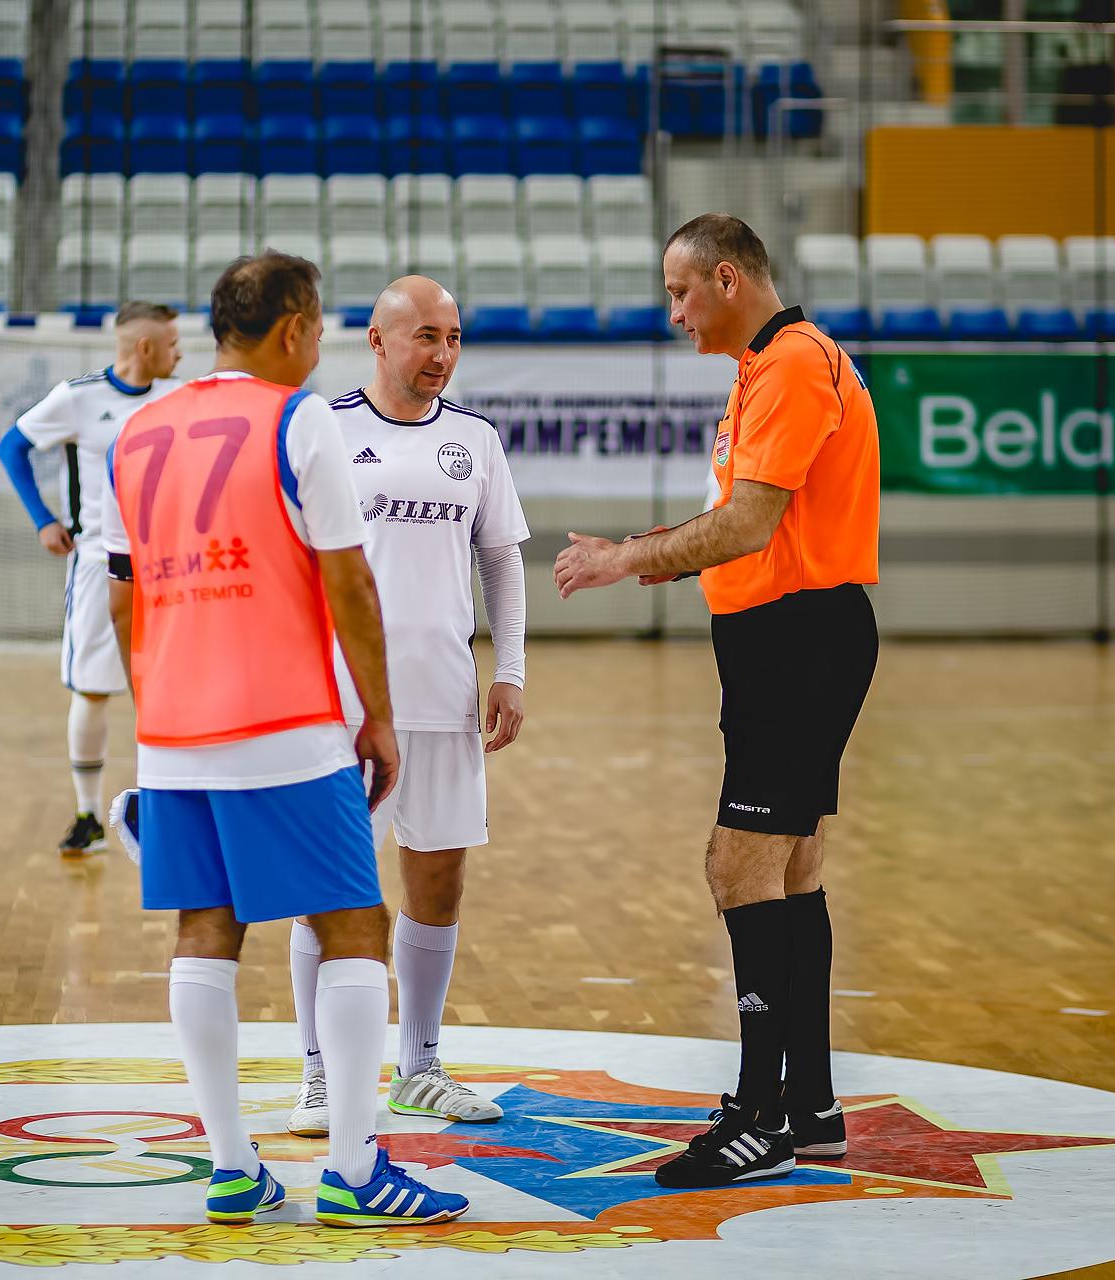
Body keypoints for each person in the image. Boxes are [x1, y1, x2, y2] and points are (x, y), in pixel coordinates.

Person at [103, 252, 469, 1228]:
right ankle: (352, 1170)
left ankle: (232, 1166)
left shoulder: (136, 430)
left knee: (204, 928)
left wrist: (158, 709)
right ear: (295, 328)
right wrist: (378, 716)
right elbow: (349, 580)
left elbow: (119, 596)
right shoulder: (299, 419)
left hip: (171, 726)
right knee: (353, 923)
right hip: (285, 721)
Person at [553, 214, 880, 1188]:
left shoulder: (791, 365)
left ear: (727, 278)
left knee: (737, 865)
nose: (674, 313)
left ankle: (757, 1113)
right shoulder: (770, 363)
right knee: (791, 866)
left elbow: (748, 523)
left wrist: (625, 558)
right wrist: (669, 555)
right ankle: (810, 1104)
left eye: (679, 291)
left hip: (798, 642)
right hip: (789, 637)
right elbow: (744, 521)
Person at [286, 276, 529, 1139]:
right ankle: (319, 1073)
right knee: (329, 888)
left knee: (439, 880)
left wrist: (512, 671)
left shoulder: (475, 439)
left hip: (444, 697)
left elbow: (501, 559)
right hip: (346, 708)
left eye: (453, 337)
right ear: (378, 341)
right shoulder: (323, 429)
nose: (442, 354)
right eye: (426, 336)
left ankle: (419, 1067)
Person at [0, 302, 181, 856]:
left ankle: (172, 810)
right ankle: (88, 815)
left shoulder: (180, 398)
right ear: (144, 347)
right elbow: (12, 446)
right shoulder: (78, 397)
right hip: (100, 562)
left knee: (171, 692)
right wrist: (42, 519)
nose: (179, 354)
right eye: (172, 344)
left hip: (172, 567)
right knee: (92, 689)